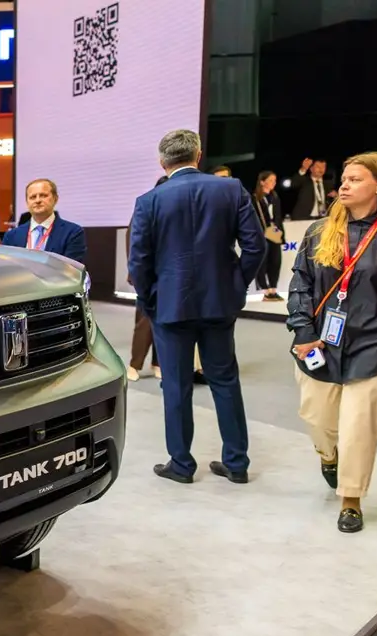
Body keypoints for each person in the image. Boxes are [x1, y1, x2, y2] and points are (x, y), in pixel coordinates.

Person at [128, 128, 265, 484]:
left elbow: (138, 261)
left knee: (175, 386)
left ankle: (181, 464)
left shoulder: (149, 201)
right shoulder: (231, 189)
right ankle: (236, 463)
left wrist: (150, 299)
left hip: (170, 307)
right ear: (198, 155)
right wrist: (235, 285)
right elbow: (256, 246)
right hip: (219, 303)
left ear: (162, 161)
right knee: (225, 381)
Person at [287, 152, 377, 533]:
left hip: (373, 345)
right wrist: (303, 332)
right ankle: (328, 455)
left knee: (359, 426)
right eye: (344, 179)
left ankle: (351, 499)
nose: (344, 185)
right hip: (320, 343)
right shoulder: (320, 230)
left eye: (355, 179)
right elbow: (300, 283)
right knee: (320, 419)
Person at [2, 178, 86, 260]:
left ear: (55, 199)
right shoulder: (11, 236)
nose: (37, 200)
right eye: (33, 197)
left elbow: (70, 268)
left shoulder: (73, 233)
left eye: (43, 195)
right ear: (27, 202)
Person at [251, 171, 286, 301]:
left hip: (274, 231)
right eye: (271, 180)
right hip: (261, 232)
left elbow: (278, 217)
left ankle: (273, 289)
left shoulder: (275, 197)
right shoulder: (255, 198)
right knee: (263, 261)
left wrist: (282, 235)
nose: (273, 183)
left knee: (275, 260)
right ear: (262, 182)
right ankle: (265, 290)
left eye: (275, 180)